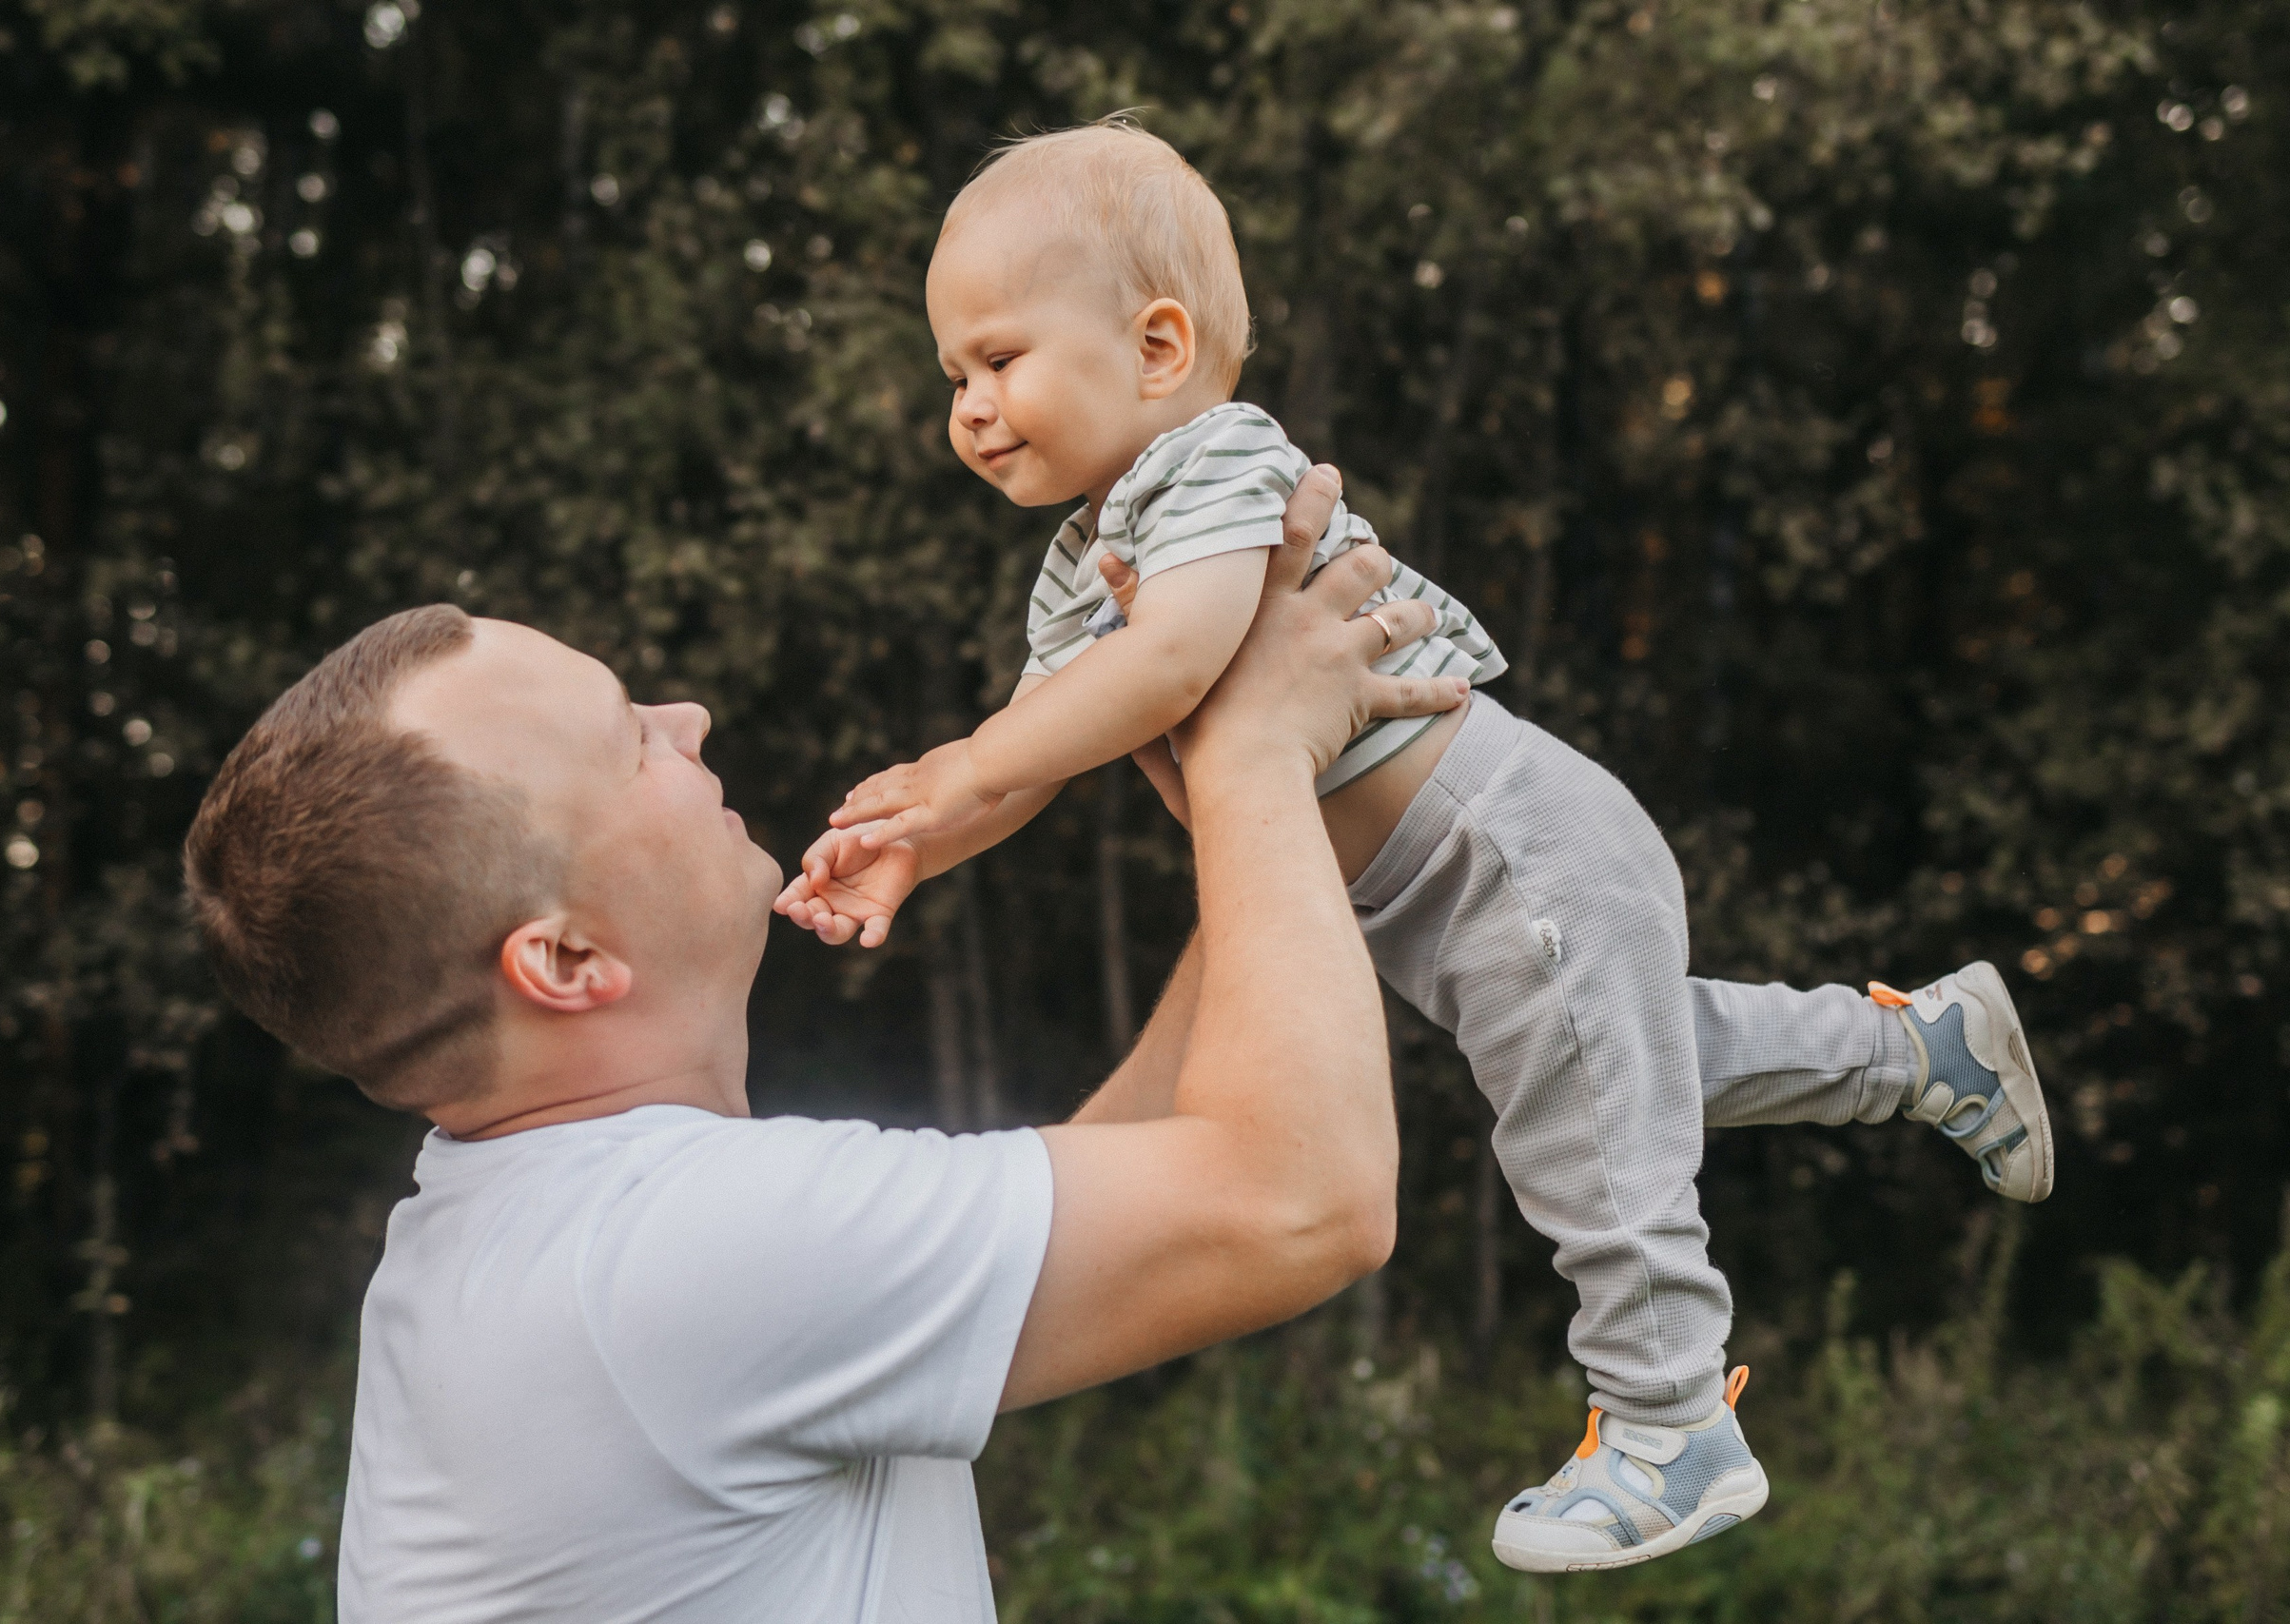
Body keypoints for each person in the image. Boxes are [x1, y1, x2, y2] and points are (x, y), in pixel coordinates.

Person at [773, 117, 2058, 1573]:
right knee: (1639, 1067)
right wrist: (922, 837)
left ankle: (1669, 1418)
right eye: (952, 377)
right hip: (1442, 901)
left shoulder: (1213, 461)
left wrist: (957, 766)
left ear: (1157, 346)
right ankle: (1925, 1052)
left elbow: (1177, 660)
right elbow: (1043, 742)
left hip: (1514, 847)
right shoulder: (1085, 559)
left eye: (998, 359)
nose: (969, 407)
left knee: (1586, 1129)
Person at [180, 476, 1473, 1621]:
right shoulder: (674, 1253)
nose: (688, 716)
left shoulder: (551, 1237)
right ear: (566, 961)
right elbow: (1301, 1201)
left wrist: (1271, 796)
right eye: (631, 738)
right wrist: (1255, 757)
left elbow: (1150, 1183)